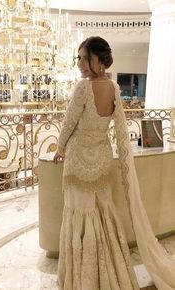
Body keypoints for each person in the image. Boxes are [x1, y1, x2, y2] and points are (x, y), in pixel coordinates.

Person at [54, 36, 175, 290]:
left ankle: (82, 281)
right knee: (101, 215)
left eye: (86, 58)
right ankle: (107, 274)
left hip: (77, 161)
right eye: (79, 58)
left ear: (100, 59)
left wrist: (59, 148)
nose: (81, 63)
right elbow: (119, 130)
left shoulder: (82, 88)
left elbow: (68, 123)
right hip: (101, 160)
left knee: (80, 214)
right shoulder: (114, 88)